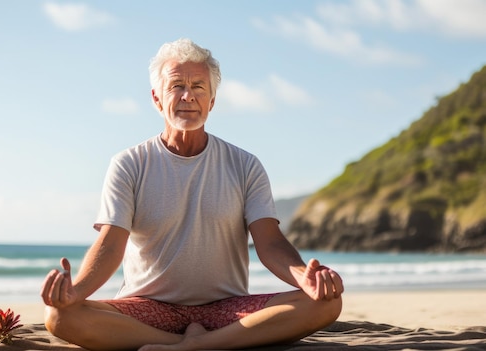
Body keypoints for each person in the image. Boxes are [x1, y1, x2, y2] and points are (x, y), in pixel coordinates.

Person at [41, 38, 344, 351]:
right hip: (147, 308)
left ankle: (192, 347)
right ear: (157, 98)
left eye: (199, 86)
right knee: (60, 317)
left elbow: (270, 243)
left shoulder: (244, 164)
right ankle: (199, 344)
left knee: (326, 304)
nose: (188, 96)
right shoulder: (130, 163)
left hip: (228, 308)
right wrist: (74, 292)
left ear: (211, 101)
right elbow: (110, 245)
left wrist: (304, 277)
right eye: (176, 86)